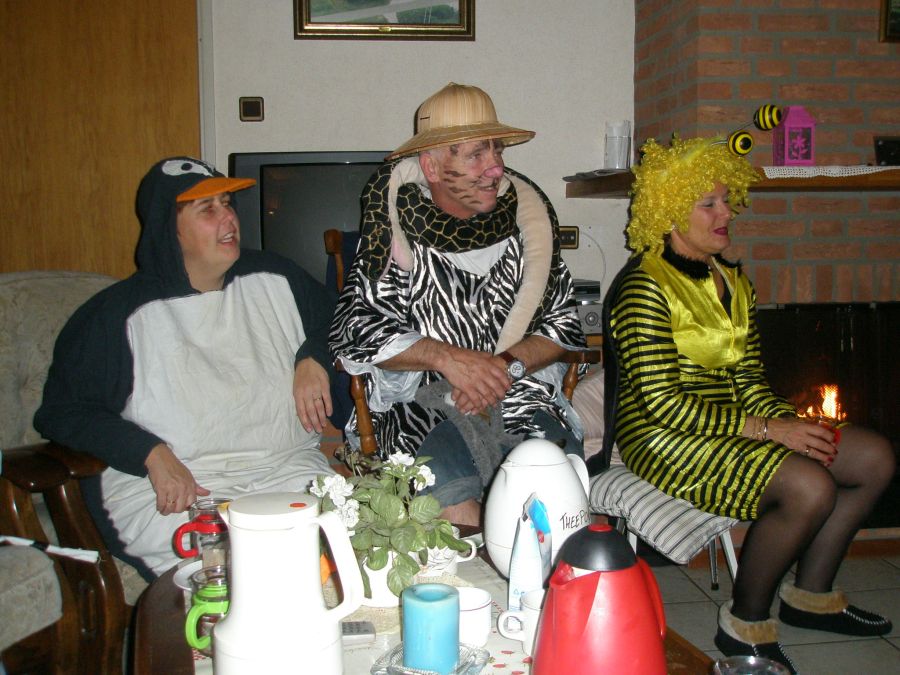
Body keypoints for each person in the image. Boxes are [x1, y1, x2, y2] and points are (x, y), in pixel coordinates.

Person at [604, 135, 894, 672]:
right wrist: (769, 430)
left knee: (873, 457)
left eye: (726, 200)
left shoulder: (732, 281)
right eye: (708, 204)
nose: (726, 213)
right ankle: (745, 625)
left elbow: (750, 378)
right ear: (670, 211)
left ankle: (811, 597)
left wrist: (790, 423)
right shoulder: (644, 288)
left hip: (738, 426)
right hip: (664, 438)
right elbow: (662, 404)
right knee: (809, 486)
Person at [34, 157, 337, 578]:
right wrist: (148, 451)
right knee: (247, 573)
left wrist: (314, 356)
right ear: (168, 227)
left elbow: (343, 321)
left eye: (227, 203)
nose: (228, 218)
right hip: (181, 489)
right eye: (207, 209)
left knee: (349, 547)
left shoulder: (276, 276)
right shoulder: (115, 316)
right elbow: (63, 412)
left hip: (285, 469)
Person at [329, 83, 587, 526]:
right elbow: (359, 328)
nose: (496, 167)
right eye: (476, 154)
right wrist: (449, 360)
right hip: (422, 407)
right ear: (430, 165)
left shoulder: (527, 236)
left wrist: (503, 367)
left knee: (555, 487)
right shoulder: (394, 238)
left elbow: (563, 324)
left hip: (520, 395)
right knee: (448, 494)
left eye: (497, 150)